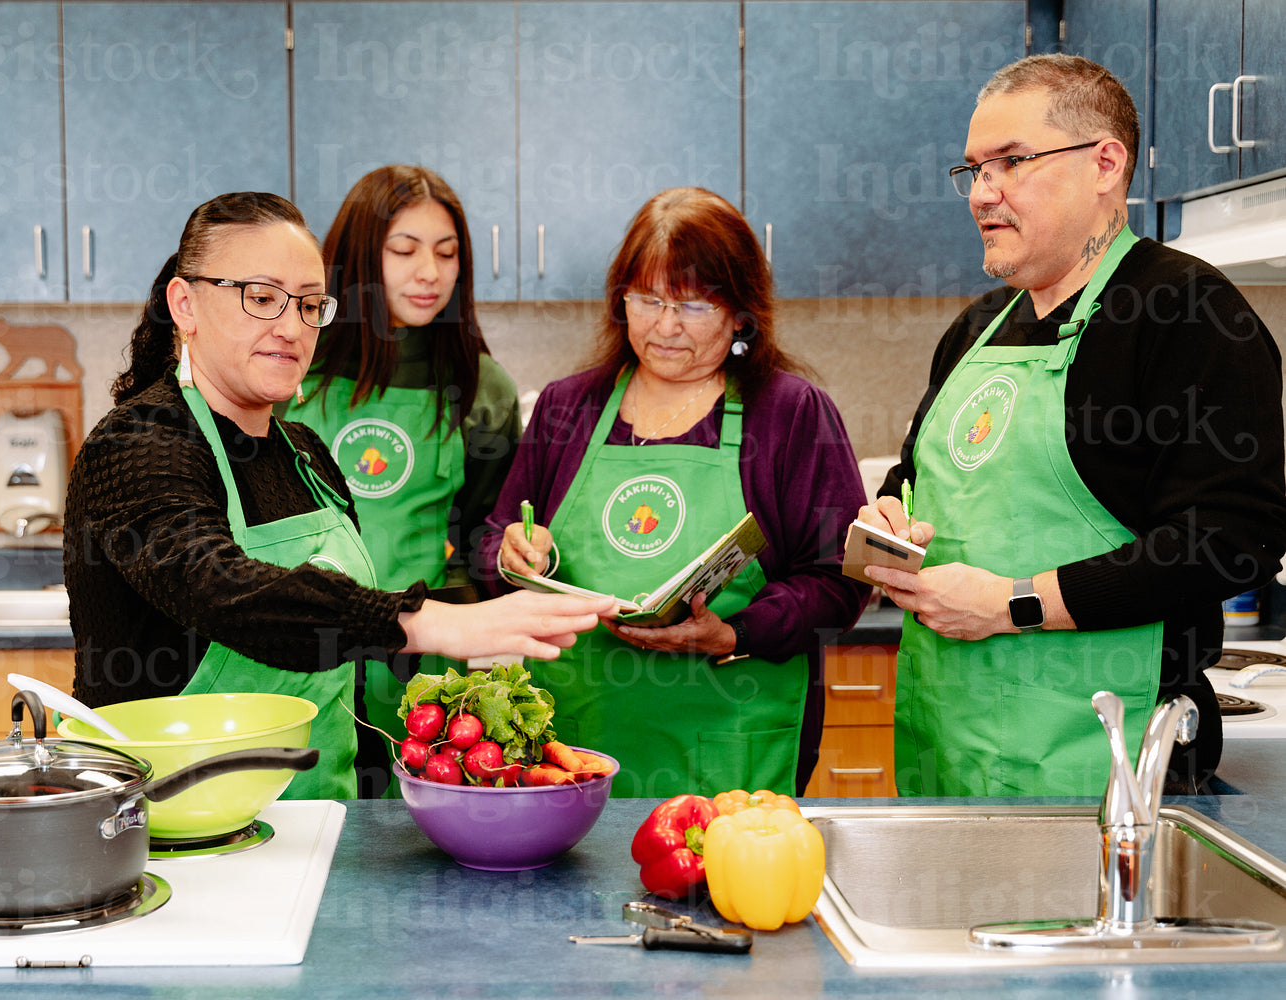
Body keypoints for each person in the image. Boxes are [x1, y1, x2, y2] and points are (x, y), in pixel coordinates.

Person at [63, 191, 616, 801]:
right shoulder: (139, 442)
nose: (291, 327)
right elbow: (221, 590)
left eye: (307, 306)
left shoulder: (306, 456)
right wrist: (432, 624)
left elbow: (336, 678)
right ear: (184, 303)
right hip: (172, 835)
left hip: (321, 823)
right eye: (262, 297)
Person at [859, 54, 1286, 797]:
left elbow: (1231, 541)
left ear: (1105, 164)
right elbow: (914, 475)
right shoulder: (978, 328)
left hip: (1108, 772)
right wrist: (889, 520)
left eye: (1011, 162)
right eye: (973, 171)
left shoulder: (1188, 312)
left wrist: (1010, 604)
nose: (982, 194)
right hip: (948, 753)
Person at [480, 187, 871, 798]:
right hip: (577, 744)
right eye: (648, 300)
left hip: (730, 742)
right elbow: (494, 538)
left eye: (692, 306)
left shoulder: (790, 413)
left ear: (741, 312)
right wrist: (512, 554)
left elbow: (840, 579)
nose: (664, 326)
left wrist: (733, 632)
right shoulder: (567, 406)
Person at [286, 166, 522, 793]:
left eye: (447, 254)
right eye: (404, 250)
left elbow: (483, 543)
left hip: (416, 669)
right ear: (362, 257)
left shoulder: (481, 387)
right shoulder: (290, 368)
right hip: (293, 653)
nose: (429, 272)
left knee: (409, 847)